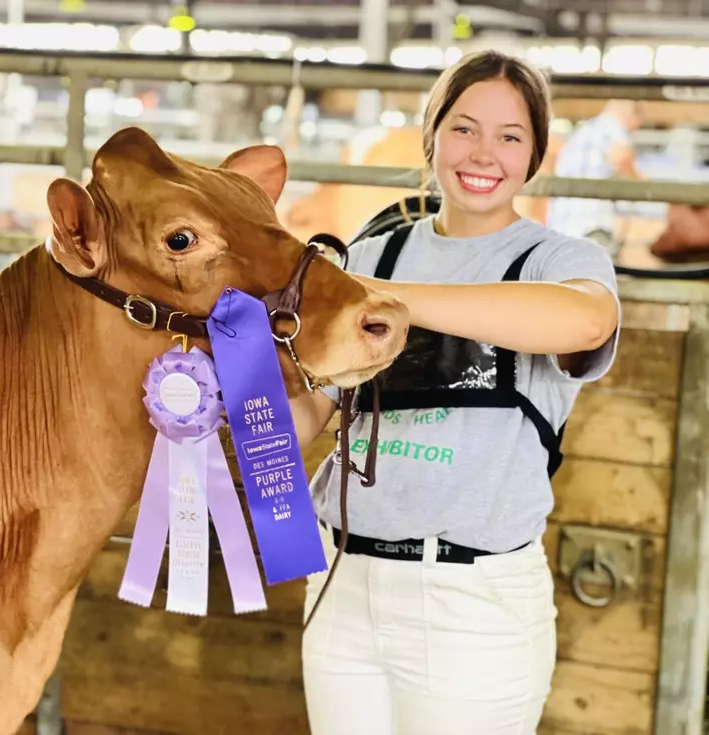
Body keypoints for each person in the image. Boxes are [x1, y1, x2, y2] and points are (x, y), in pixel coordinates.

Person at [289, 50, 621, 735]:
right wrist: (229, 397)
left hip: (471, 600)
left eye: (510, 136)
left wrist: (376, 299)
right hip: (342, 580)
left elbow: (586, 320)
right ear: (432, 132)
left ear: (534, 154)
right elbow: (308, 416)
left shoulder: (560, 261)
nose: (484, 153)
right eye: (464, 128)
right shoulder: (371, 254)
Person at [546, 98, 644, 257]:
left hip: (562, 226)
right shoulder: (611, 125)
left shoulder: (582, 133)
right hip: (591, 227)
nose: (634, 130)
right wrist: (641, 182)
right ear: (633, 116)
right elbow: (620, 156)